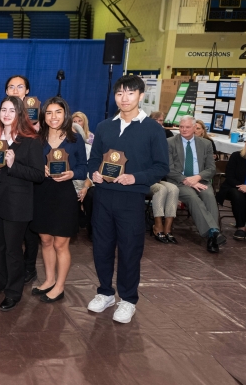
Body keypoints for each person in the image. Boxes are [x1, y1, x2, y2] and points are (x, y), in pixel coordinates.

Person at [86, 75, 168, 324]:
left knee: (130, 251)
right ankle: (105, 292)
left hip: (131, 199)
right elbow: (92, 161)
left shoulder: (153, 129)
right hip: (103, 197)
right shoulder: (104, 126)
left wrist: (136, 178)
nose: (124, 98)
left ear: (141, 96)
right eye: (120, 93)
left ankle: (128, 299)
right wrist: (94, 174)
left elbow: (161, 167)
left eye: (130, 93)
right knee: (101, 248)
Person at [0, 96, 44, 311]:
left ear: (20, 114)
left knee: (13, 250)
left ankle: (13, 292)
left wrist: (13, 164)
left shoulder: (31, 140)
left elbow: (38, 175)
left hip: (17, 204)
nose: (6, 114)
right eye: (3, 109)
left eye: (11, 110)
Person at [30, 97, 87, 303]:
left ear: (66, 114)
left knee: (61, 244)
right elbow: (29, 164)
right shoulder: (37, 138)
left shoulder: (74, 139)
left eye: (58, 112)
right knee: (45, 240)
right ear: (44, 116)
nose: (53, 117)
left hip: (64, 195)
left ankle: (60, 286)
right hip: (42, 194)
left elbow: (84, 168)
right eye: (49, 113)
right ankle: (49, 280)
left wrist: (72, 173)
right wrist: (39, 170)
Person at [166, 115, 222, 253]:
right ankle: (214, 232)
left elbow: (211, 168)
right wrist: (187, 180)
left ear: (194, 128)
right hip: (179, 181)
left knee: (209, 195)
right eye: (181, 127)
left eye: (187, 127)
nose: (183, 130)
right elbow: (168, 168)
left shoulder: (205, 144)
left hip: (200, 180)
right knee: (192, 197)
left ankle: (212, 235)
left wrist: (197, 177)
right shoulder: (170, 142)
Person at [147, 112, 180, 243]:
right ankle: (157, 225)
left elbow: (163, 165)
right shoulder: (143, 141)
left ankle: (168, 227)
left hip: (159, 177)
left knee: (173, 189)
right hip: (145, 179)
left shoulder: (162, 145)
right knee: (161, 190)